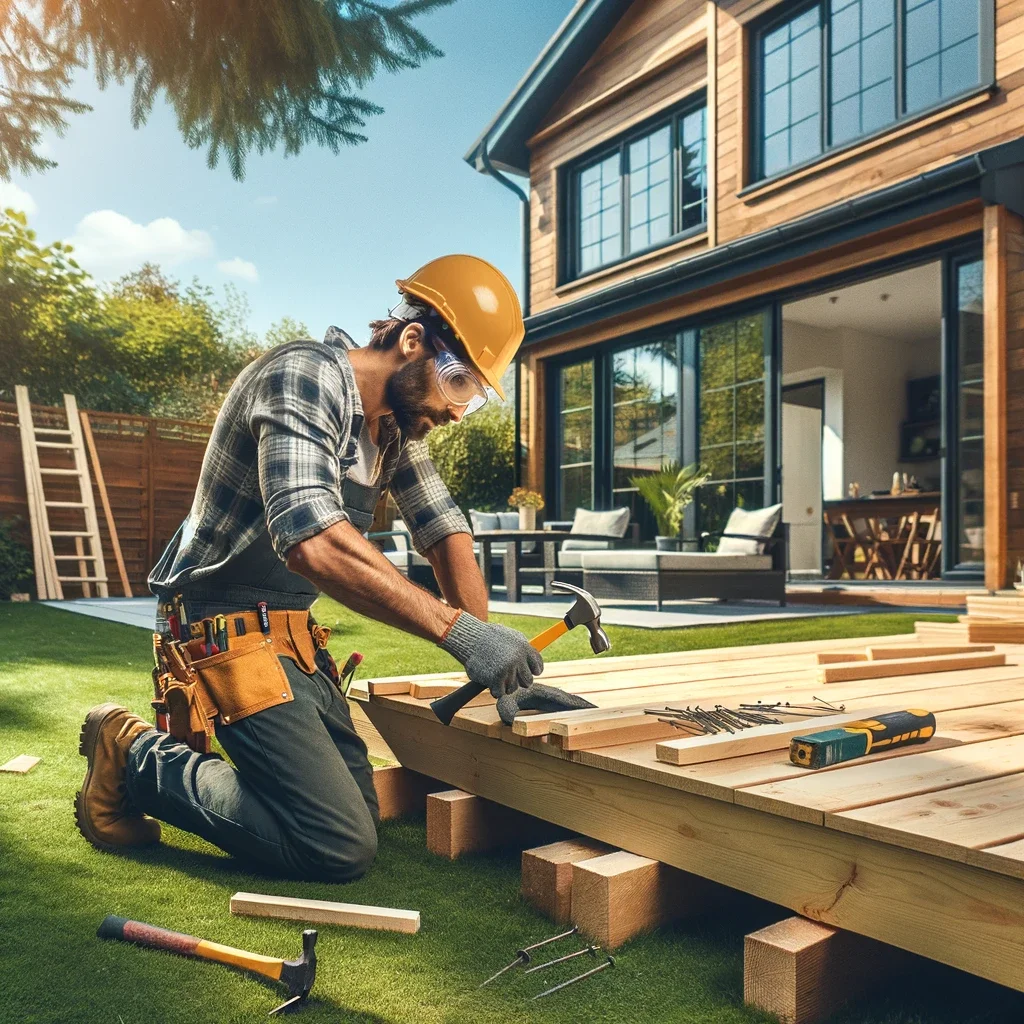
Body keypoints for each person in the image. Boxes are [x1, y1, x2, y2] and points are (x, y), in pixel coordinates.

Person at [73, 255, 549, 882]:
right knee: (337, 846)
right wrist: (460, 633)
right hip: (217, 623)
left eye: (473, 398)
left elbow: (443, 529)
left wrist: (486, 654)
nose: (458, 411)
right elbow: (309, 539)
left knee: (358, 810)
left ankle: (237, 775)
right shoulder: (302, 375)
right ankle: (133, 753)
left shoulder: (392, 430)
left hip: (288, 635)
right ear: (411, 343)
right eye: (457, 383)